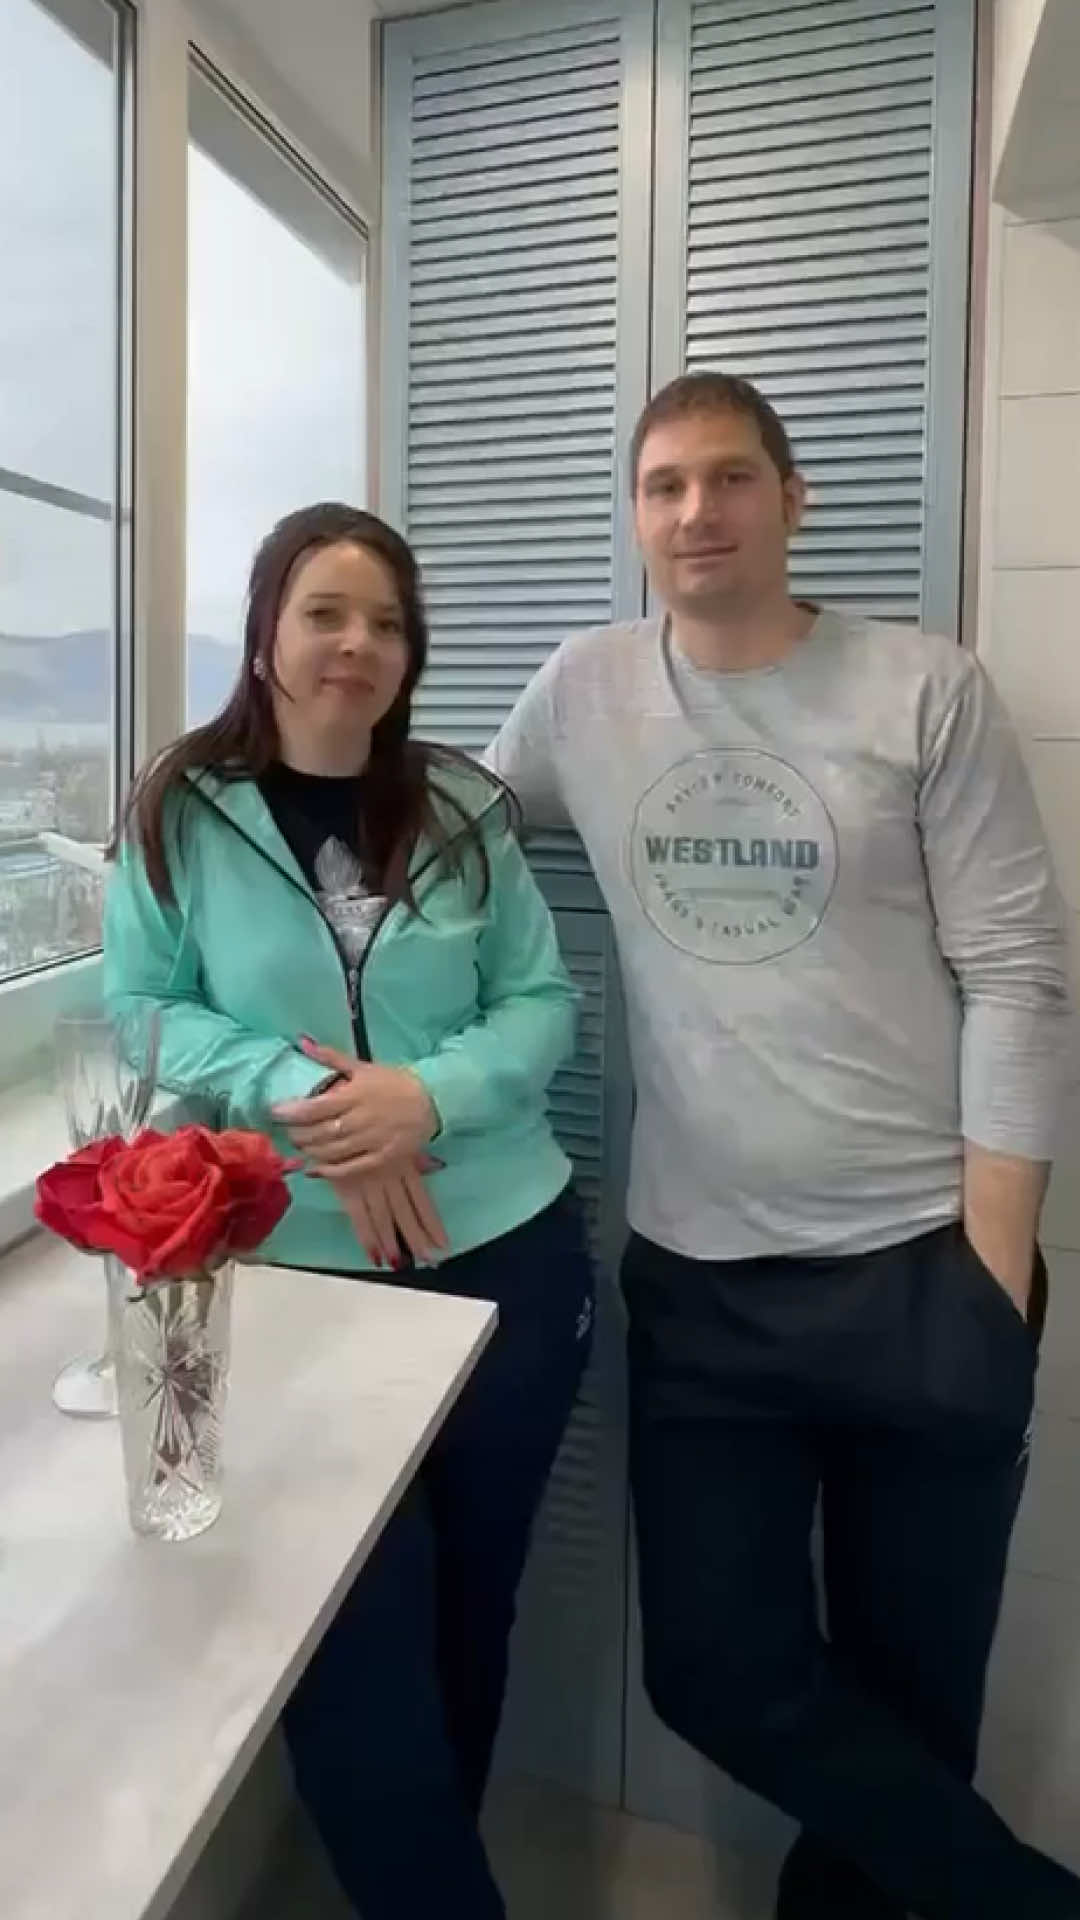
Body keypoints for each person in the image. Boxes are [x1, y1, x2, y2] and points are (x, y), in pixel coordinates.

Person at [488, 372, 1080, 1920]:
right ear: (636, 518)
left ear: (793, 500)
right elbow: (449, 838)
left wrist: (992, 1275)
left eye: (731, 477)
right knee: (718, 1674)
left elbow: (1020, 974)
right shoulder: (582, 692)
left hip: (924, 1268)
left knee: (912, 1703)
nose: (699, 511)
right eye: (666, 485)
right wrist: (222, 790)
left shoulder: (924, 687)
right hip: (703, 1290)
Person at [103, 502, 594, 1920]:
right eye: (325, 612)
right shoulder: (180, 809)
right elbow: (140, 1009)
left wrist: (423, 1101)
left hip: (503, 1258)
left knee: (469, 1609)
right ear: (265, 632)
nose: (357, 644)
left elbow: (540, 1004)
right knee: (343, 1647)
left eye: (387, 623)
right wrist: (312, 1096)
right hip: (293, 1271)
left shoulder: (465, 811)